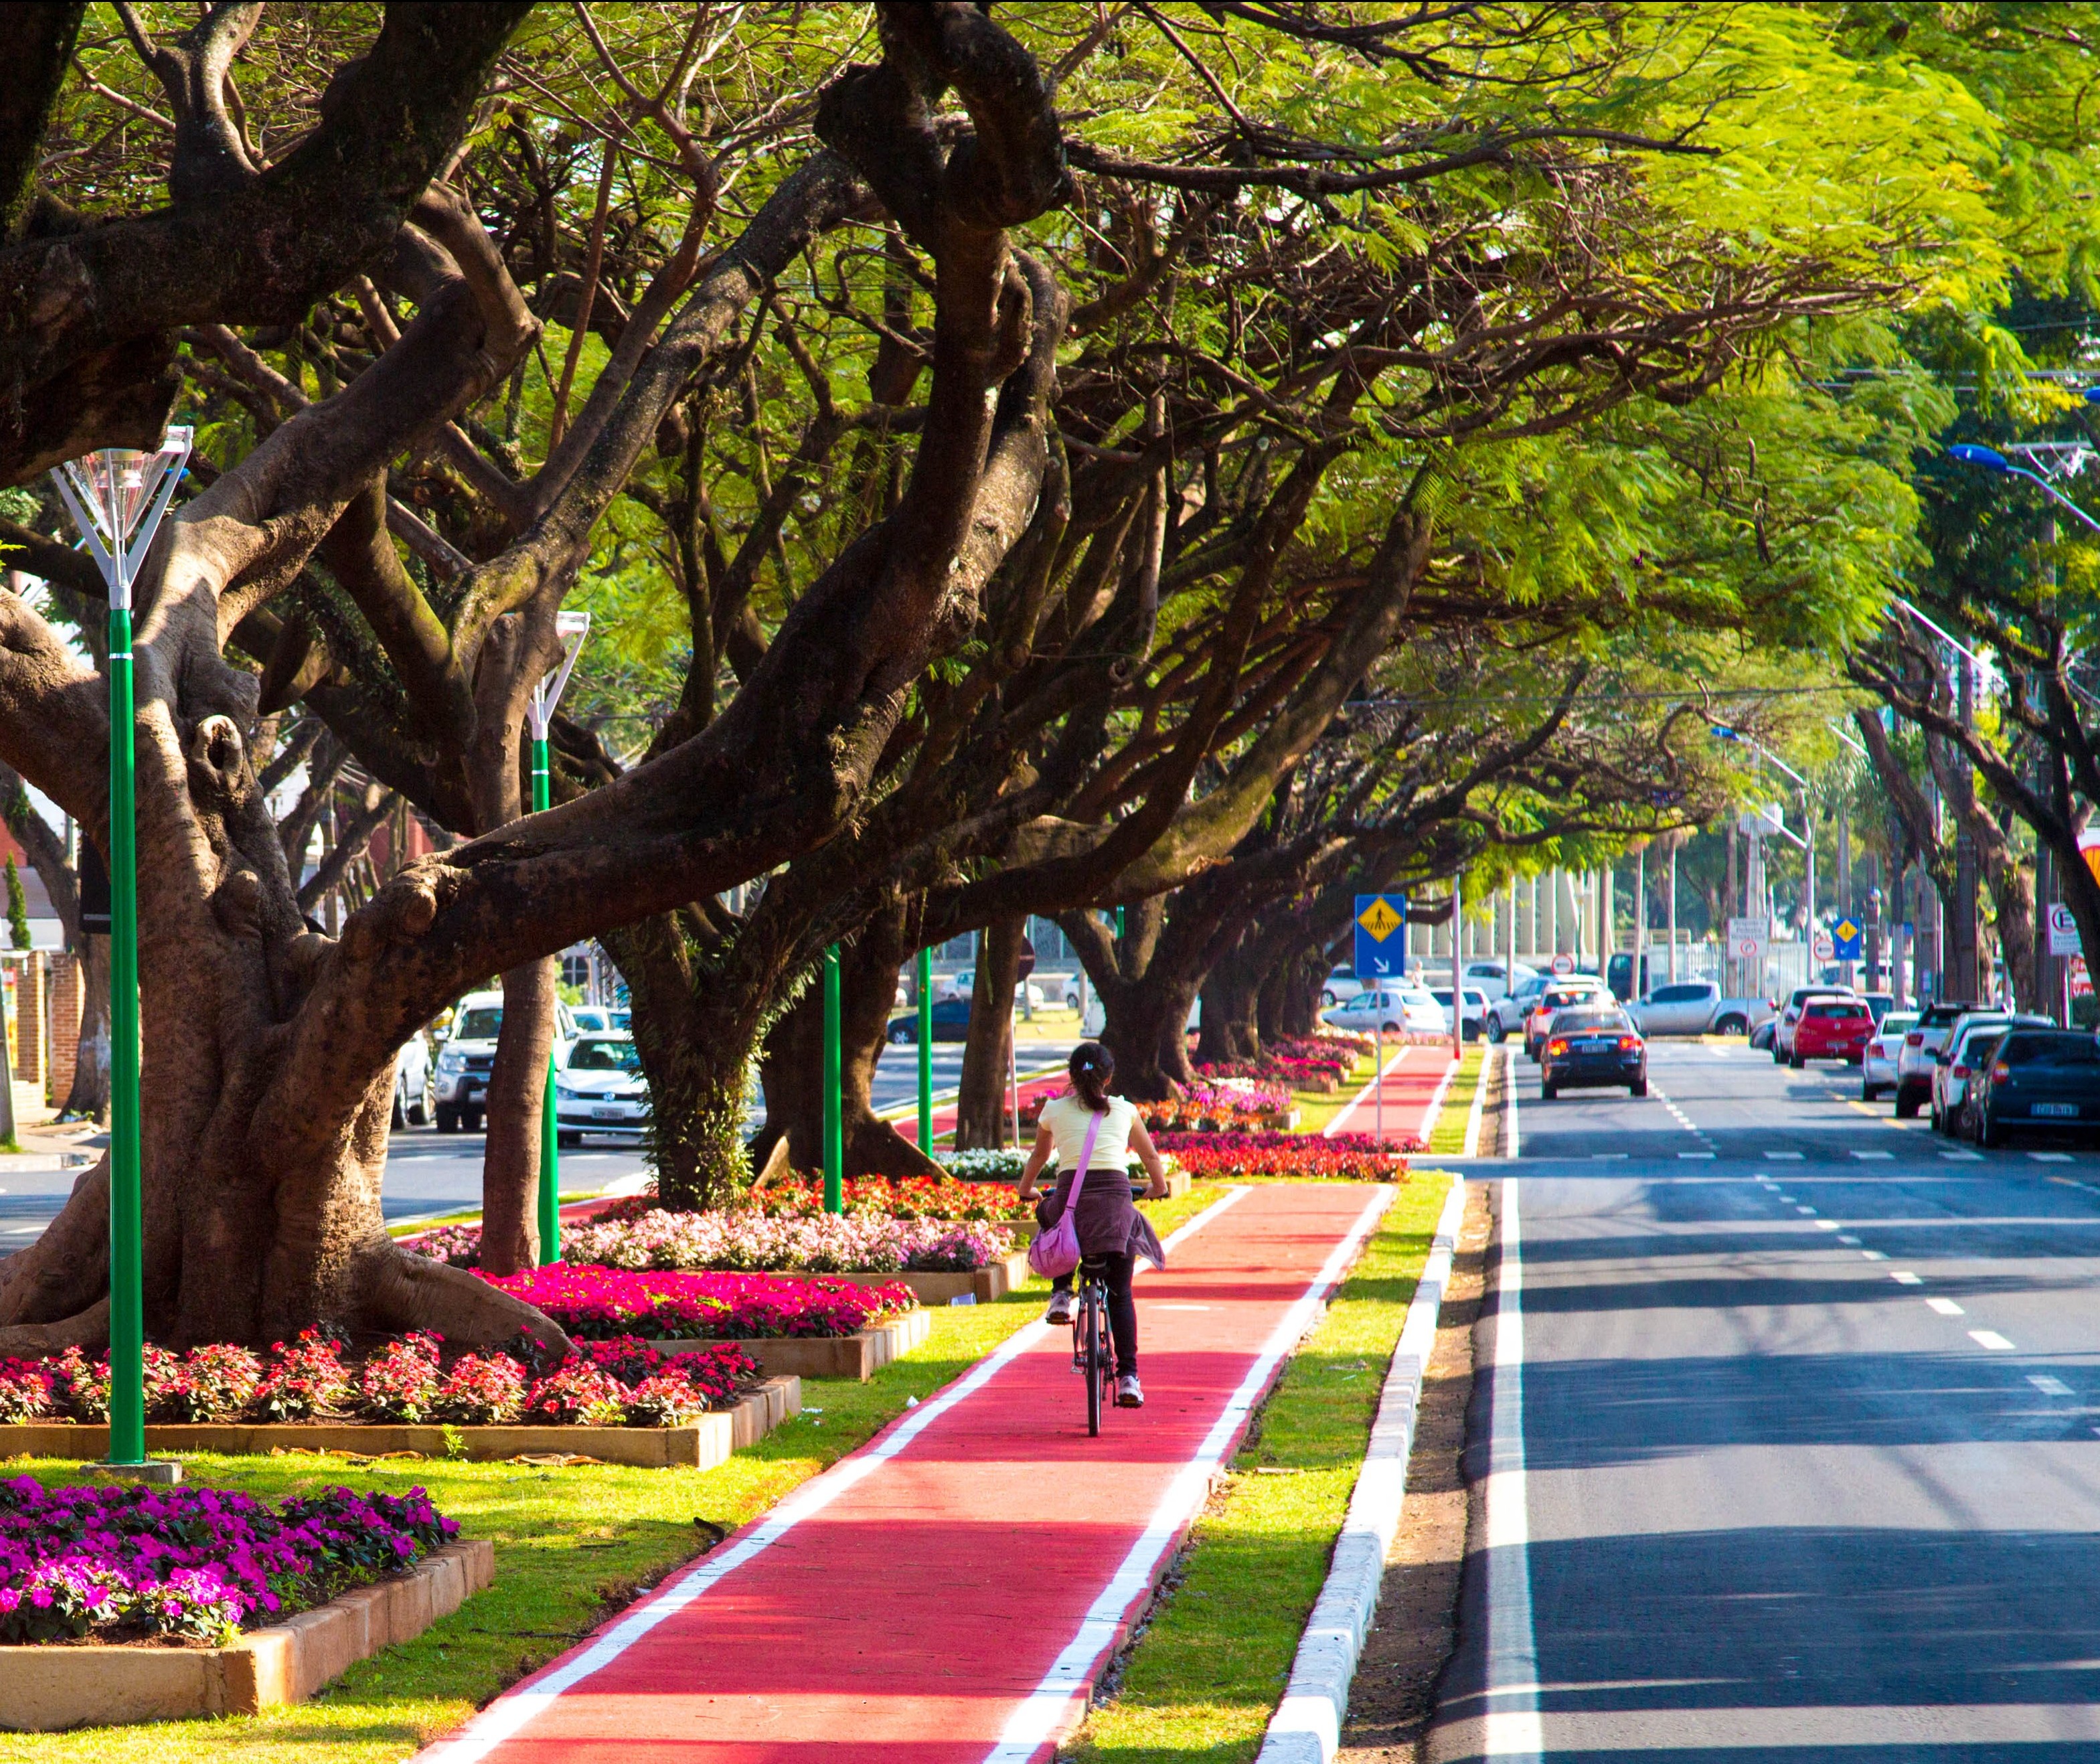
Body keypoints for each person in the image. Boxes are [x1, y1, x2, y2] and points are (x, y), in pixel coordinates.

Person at [1017, 1041, 1169, 1407]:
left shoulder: (1054, 1110)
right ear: (1110, 1076)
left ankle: (1060, 1293)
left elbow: (1040, 1154)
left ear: (1071, 1075)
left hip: (1073, 1204)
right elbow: (1148, 1154)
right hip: (1116, 1206)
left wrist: (1026, 1190)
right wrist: (1159, 1187)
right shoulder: (1125, 1110)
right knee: (1121, 1294)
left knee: (1051, 1218)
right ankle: (1129, 1377)